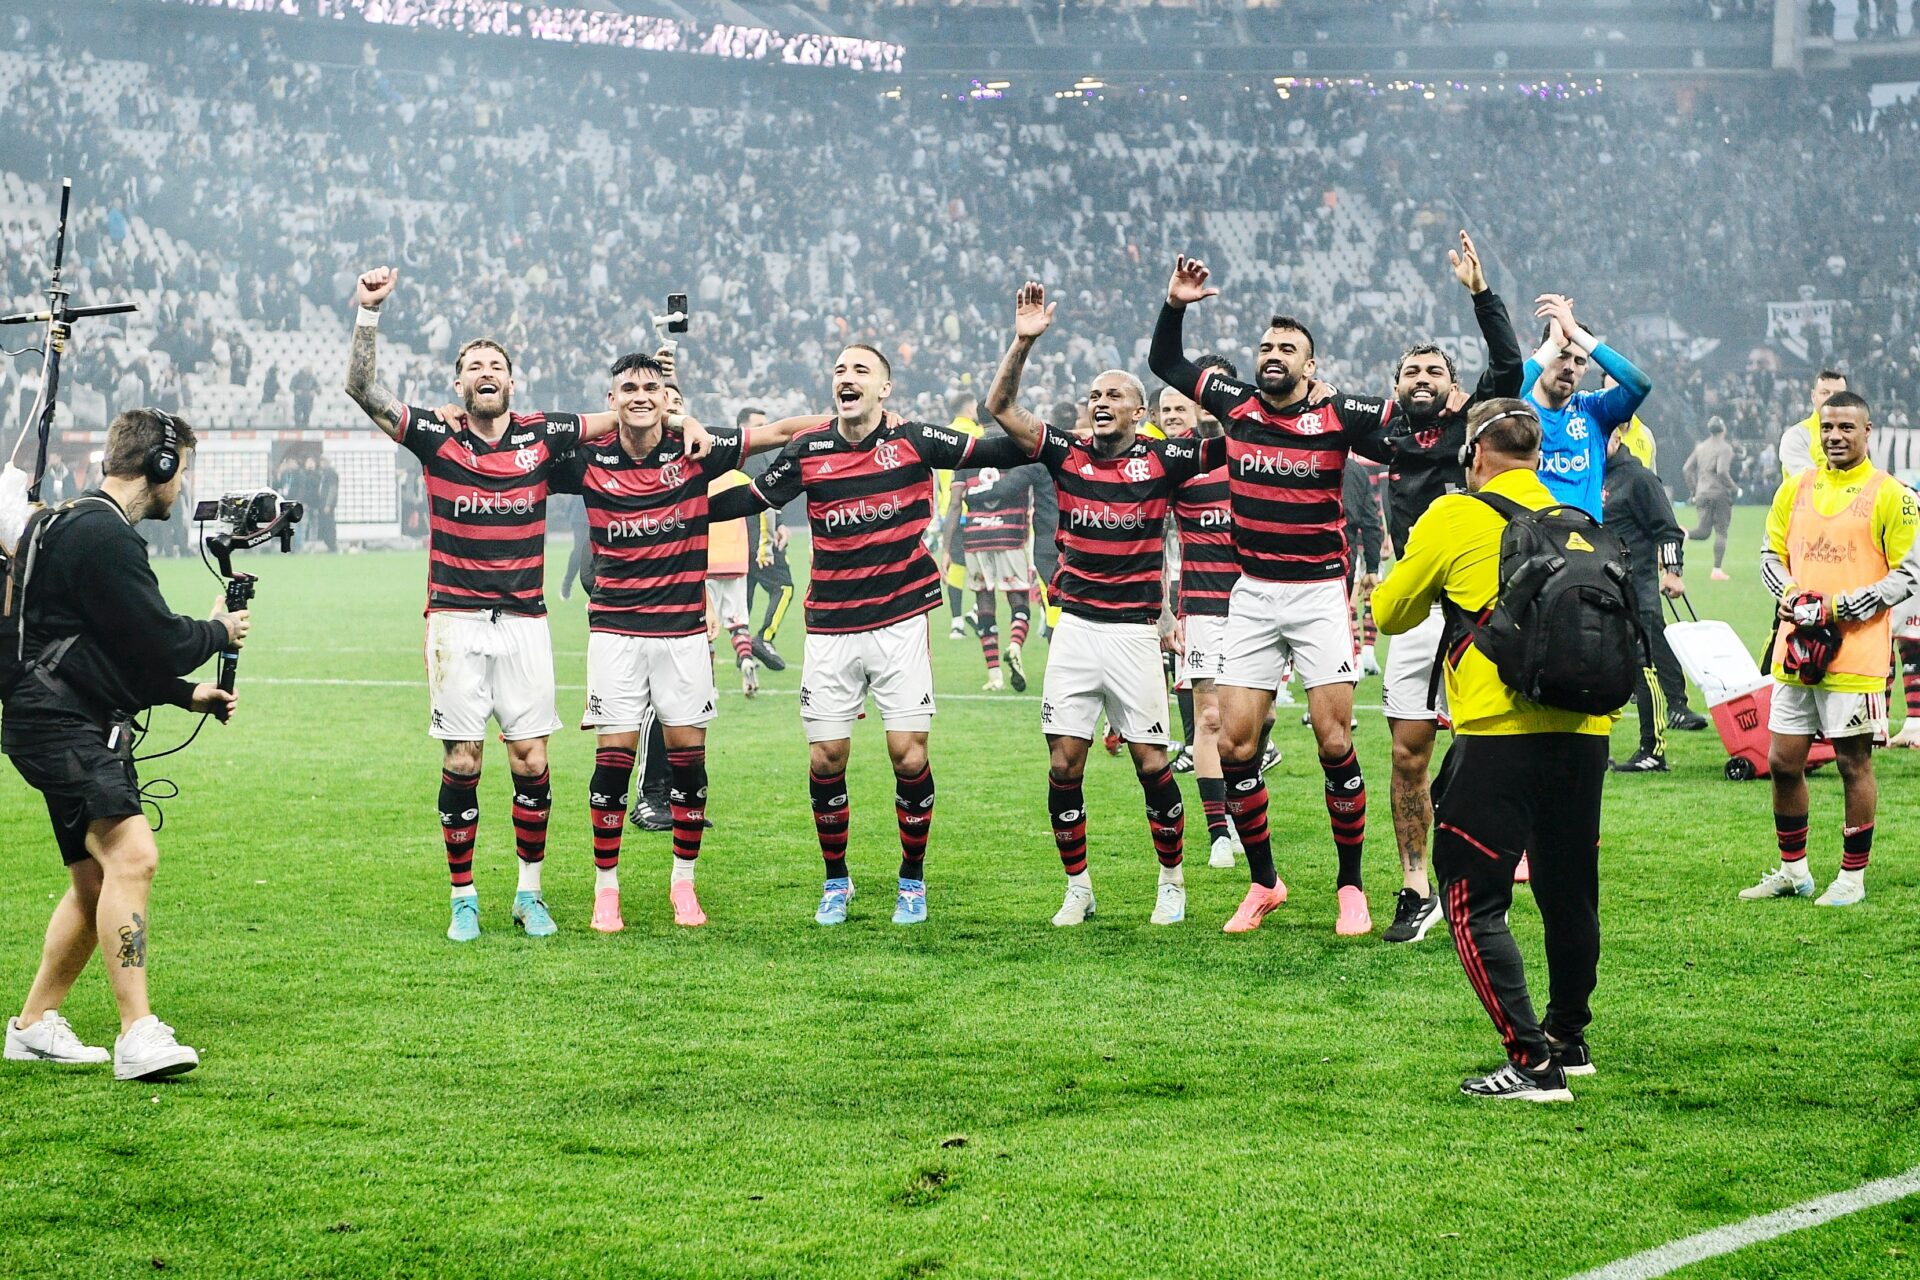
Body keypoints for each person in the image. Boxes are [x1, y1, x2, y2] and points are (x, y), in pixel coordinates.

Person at [342, 265, 709, 942]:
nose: (486, 372)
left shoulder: (543, 434)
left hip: (527, 623)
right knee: (462, 761)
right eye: (473, 365)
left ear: (511, 382)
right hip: (454, 620)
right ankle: (463, 897)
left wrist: (683, 418)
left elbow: (630, 414)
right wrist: (368, 313)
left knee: (532, 761)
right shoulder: (435, 434)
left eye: (496, 365)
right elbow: (361, 389)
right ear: (458, 385)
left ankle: (528, 893)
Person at [1149, 255, 1398, 937]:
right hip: (1252, 594)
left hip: (1319, 594)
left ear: (1311, 368)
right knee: (1234, 746)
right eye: (1266, 346)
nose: (1273, 355)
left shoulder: (1340, 415)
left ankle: (1351, 886)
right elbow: (1165, 362)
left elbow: (1412, 428)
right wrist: (1176, 304)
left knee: (1332, 738)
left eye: (1288, 348)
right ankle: (1265, 883)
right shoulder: (1234, 405)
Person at [1373, 399, 1613, 1102]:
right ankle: (1569, 1038)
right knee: (1570, 893)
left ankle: (1534, 1067)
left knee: (1470, 899)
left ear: (1475, 455)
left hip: (1499, 733)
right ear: (1537, 456)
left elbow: (1392, 613)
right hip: (1586, 734)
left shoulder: (1455, 515)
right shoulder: (1578, 522)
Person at [2, 409, 247, 1081]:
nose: (183, 486)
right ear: (161, 467)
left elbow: (107, 645)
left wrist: (184, 693)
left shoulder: (63, 522)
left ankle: (32, 1026)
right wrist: (219, 631)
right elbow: (161, 638)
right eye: (182, 471)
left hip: (45, 716)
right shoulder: (107, 538)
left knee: (92, 881)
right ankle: (138, 1033)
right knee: (132, 856)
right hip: (66, 722)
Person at [706, 345, 985, 927]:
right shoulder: (810, 450)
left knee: (908, 757)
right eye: (839, 370)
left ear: (885, 388)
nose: (846, 377)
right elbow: (752, 497)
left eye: (861, 370)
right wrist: (675, 504)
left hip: (901, 619)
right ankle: (837, 880)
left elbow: (1000, 450)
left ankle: (912, 880)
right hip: (832, 626)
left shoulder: (914, 439)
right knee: (827, 757)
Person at [979, 282, 1206, 926]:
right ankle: (1078, 886)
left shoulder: (1163, 459)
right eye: (1094, 395)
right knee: (1063, 761)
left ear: (1140, 411)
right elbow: (1000, 405)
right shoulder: (1065, 452)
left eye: (1114, 395)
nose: (1100, 402)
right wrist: (1023, 342)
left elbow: (1228, 443)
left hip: (1134, 634)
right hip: (1075, 629)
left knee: (1150, 761)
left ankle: (1172, 880)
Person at [549, 353, 797, 931]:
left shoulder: (696, 452)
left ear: (669, 398)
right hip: (615, 632)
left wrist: (849, 425)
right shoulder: (587, 460)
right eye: (628, 388)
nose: (640, 394)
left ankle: (683, 884)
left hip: (683, 632)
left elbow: (780, 433)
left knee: (688, 762)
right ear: (610, 400)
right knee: (613, 762)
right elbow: (519, 446)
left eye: (651, 387)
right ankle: (605, 889)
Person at [1374, 229, 1524, 943]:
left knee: (1486, 744)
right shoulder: (1384, 437)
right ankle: (1414, 884)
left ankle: (1485, 865)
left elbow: (1510, 364)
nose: (1424, 378)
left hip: (1476, 606)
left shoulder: (1473, 420)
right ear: (1397, 387)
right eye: (1412, 372)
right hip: (1414, 609)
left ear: (1453, 383)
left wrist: (1479, 293)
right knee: (1408, 751)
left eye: (1435, 369)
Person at [1744, 391, 1918, 906]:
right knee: (1782, 760)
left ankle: (1852, 877)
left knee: (1852, 763)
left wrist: (1841, 607)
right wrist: (1793, 596)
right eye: (1827, 428)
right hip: (1797, 649)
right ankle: (1794, 871)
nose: (1835, 437)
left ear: (1868, 432)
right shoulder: (1795, 488)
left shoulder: (1891, 494)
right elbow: (1769, 554)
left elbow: (1908, 571)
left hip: (1856, 653)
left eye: (1846, 428)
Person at [1603, 422, 1701, 774]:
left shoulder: (1639, 479)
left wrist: (1673, 572)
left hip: (1636, 591)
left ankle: (1653, 750)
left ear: (1618, 436)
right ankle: (1597, 748)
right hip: (1600, 592)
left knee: (1641, 668)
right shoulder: (1589, 475)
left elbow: (1667, 528)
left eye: (1604, 435)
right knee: (1602, 672)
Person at [1518, 295, 1651, 520]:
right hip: (1534, 541)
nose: (1570, 367)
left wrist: (1576, 333)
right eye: (1562, 355)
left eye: (1579, 361)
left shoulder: (1593, 410)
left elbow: (1640, 386)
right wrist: (1552, 345)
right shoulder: (1518, 411)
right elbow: (1493, 402)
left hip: (1586, 545)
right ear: (1540, 356)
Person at [940, 441, 1040, 693]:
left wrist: (946, 549)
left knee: (984, 605)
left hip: (976, 538)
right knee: (1019, 600)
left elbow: (954, 504)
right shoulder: (1017, 449)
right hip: (1010, 536)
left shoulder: (967, 455)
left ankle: (994, 675)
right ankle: (1015, 645)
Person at [1683, 417, 1737, 580]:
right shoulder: (1725, 448)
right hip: (1718, 493)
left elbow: (1686, 469)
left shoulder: (1701, 447)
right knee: (1721, 531)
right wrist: (1734, 488)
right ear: (1723, 429)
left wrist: (1694, 489)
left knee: (1703, 532)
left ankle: (1682, 533)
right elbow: (1721, 471)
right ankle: (1717, 570)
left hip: (1702, 493)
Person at [1778, 369, 1848, 479]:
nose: (1831, 398)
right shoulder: (1796, 436)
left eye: (1838, 394)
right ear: (1813, 396)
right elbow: (1809, 483)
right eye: (1825, 393)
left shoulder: (1854, 436)